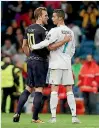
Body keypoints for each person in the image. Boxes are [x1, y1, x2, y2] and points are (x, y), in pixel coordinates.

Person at [13, 7, 71, 123]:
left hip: (30, 61)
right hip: (40, 61)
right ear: (39, 16)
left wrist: (30, 56)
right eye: (45, 15)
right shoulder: (43, 30)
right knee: (39, 89)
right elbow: (49, 46)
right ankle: (35, 117)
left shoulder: (28, 28)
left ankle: (17, 112)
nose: (47, 17)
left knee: (28, 88)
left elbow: (24, 45)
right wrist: (64, 41)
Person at [31, 9, 80, 124]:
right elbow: (73, 49)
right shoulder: (70, 31)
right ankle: (74, 117)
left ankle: (53, 117)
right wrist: (66, 57)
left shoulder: (54, 31)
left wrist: (33, 46)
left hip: (56, 64)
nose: (52, 18)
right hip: (67, 64)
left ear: (60, 18)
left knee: (54, 90)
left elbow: (45, 43)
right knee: (69, 90)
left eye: (54, 17)